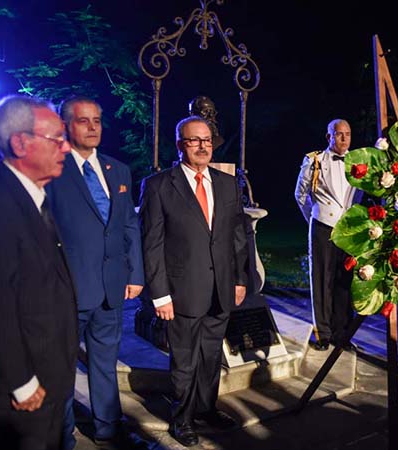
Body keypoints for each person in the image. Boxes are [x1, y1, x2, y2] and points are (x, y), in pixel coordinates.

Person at [0, 95, 78, 449]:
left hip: (45, 379)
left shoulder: (31, 196)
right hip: (19, 393)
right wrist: (21, 382)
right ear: (21, 143)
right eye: (57, 139)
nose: (66, 148)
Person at [139, 116, 248, 447]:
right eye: (194, 140)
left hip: (222, 289)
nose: (202, 146)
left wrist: (240, 279)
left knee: (211, 356)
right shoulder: (159, 186)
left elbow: (238, 236)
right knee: (185, 360)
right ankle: (182, 418)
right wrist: (160, 295)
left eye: (207, 140)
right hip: (181, 291)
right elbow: (151, 243)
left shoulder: (227, 184)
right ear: (180, 145)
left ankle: (206, 409)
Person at [46, 97, 144, 449]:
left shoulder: (118, 170)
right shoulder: (52, 169)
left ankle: (108, 427)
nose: (92, 127)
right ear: (66, 125)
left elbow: (129, 224)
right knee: (60, 371)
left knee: (105, 362)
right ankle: (61, 436)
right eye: (83, 121)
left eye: (97, 120)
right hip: (66, 290)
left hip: (111, 288)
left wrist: (135, 274)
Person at [294, 119, 361, 351]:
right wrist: (314, 217)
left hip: (349, 229)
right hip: (323, 225)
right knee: (322, 279)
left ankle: (342, 334)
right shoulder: (315, 160)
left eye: (347, 134)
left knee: (345, 282)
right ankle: (322, 332)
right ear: (329, 137)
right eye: (338, 134)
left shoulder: (359, 161)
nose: (343, 139)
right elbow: (300, 194)